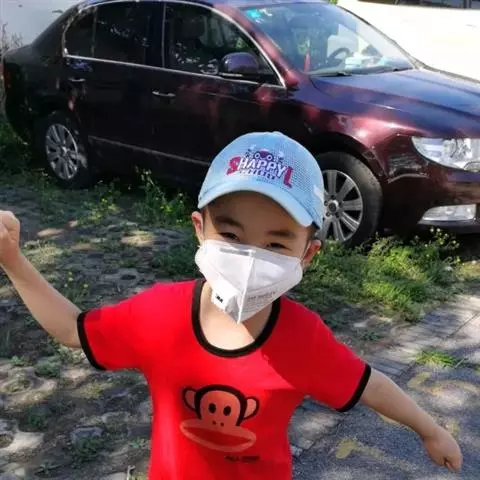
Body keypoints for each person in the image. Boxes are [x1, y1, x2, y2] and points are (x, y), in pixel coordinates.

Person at [0, 132, 462, 479]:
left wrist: (430, 430)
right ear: (199, 229)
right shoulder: (160, 316)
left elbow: (368, 384)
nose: (249, 257)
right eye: (231, 234)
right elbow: (74, 329)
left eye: (276, 243)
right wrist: (13, 260)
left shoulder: (303, 338)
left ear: (307, 254)